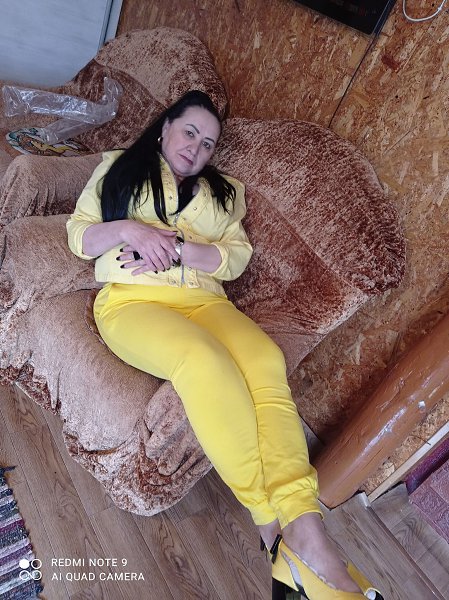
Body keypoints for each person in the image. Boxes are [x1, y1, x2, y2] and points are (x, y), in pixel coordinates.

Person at [67, 90, 383, 600]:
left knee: (264, 359)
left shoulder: (224, 193)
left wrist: (177, 249)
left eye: (208, 143)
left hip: (207, 302)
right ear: (165, 127)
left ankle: (304, 525)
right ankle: (274, 527)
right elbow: (79, 237)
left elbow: (234, 259)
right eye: (189, 132)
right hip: (132, 302)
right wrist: (130, 229)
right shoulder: (117, 170)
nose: (196, 148)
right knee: (204, 361)